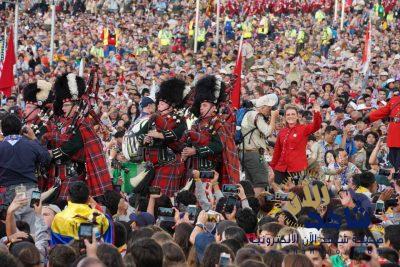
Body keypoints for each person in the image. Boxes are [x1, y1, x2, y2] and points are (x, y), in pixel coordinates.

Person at [43, 73, 113, 200]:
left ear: (75, 106)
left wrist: (52, 153)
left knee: (64, 205)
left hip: (73, 173)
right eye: (63, 105)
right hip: (57, 174)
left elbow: (73, 145)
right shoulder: (64, 122)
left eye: (66, 105)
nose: (63, 108)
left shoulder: (82, 123)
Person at [181, 75, 240, 186]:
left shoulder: (218, 123)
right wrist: (185, 151)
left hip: (209, 170)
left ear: (214, 107)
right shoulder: (196, 123)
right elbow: (190, 142)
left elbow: (218, 146)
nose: (201, 108)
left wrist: (196, 151)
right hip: (193, 169)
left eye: (204, 105)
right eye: (200, 105)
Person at [135, 78, 188, 196]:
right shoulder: (153, 117)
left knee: (161, 198)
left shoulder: (178, 118)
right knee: (146, 198)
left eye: (162, 103)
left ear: (171, 106)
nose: (159, 105)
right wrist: (145, 139)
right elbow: (140, 133)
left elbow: (177, 135)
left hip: (169, 163)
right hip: (152, 164)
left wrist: (160, 135)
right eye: (159, 102)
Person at [0, 114, 51, 232]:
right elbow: (46, 159)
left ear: (2, 130)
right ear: (20, 129)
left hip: (8, 193)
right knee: (36, 228)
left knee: (12, 231)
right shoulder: (31, 144)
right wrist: (34, 139)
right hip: (33, 191)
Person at [270, 104, 322, 185]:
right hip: (281, 168)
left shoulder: (303, 128)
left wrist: (317, 113)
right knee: (278, 192)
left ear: (298, 116)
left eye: (293, 114)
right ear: (285, 117)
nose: (290, 116)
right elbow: (277, 151)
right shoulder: (282, 132)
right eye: (288, 114)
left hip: (297, 168)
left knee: (295, 194)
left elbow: (316, 126)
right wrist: (272, 167)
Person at [240, 94, 279, 196]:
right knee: (260, 182)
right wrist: (274, 117)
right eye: (268, 108)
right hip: (253, 153)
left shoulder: (249, 114)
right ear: (262, 107)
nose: (269, 111)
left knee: (251, 183)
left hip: (247, 153)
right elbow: (268, 132)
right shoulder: (256, 115)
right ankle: (256, 207)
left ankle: (250, 206)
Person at [367, 90, 400, 179]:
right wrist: (369, 118)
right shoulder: (394, 99)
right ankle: (394, 183)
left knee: (398, 166)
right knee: (393, 164)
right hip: (394, 136)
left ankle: (396, 182)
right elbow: (383, 111)